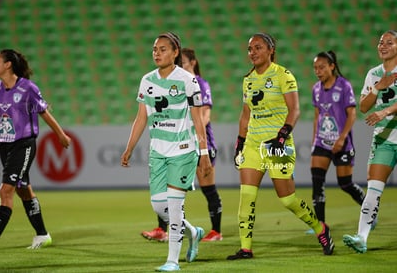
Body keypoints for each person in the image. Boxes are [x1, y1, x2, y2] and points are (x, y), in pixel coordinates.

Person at [227, 32, 335, 260]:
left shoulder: (283, 76)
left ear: (270, 50)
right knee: (247, 195)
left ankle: (319, 228)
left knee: (287, 199)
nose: (252, 53)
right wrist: (240, 142)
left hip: (278, 144)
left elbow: (294, 110)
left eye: (257, 48)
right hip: (254, 144)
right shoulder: (247, 80)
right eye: (250, 49)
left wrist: (282, 135)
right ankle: (246, 248)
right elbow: (245, 115)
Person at [120, 32, 212, 272]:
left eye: (162, 49)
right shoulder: (147, 80)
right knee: (159, 207)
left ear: (175, 53)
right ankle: (193, 231)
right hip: (157, 152)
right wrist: (129, 147)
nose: (157, 53)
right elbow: (141, 118)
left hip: (183, 150)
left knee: (173, 206)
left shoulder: (188, 80)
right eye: (154, 49)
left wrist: (203, 152)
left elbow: (198, 119)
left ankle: (172, 261)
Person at [0, 49, 71, 252]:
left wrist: (60, 134)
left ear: (8, 65)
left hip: (24, 145)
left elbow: (44, 113)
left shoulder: (28, 88)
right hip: (5, 146)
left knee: (6, 190)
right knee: (24, 190)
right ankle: (42, 234)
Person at [141, 48, 223, 243]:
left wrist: (192, 134)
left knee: (208, 187)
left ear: (193, 63)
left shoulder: (200, 84)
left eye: (183, 63)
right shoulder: (174, 83)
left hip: (201, 142)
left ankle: (216, 231)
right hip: (179, 143)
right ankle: (163, 229)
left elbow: (205, 115)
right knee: (167, 190)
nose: (180, 67)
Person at [343, 30, 397, 253]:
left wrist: (385, 113)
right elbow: (364, 107)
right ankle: (362, 239)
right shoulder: (373, 73)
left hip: (388, 126)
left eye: (389, 42)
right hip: (384, 139)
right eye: (380, 42)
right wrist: (378, 86)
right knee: (373, 190)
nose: (383, 45)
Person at [310, 51, 366, 226]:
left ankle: (368, 208)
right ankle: (320, 225)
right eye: (315, 68)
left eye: (322, 67)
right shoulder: (316, 89)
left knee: (345, 184)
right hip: (322, 142)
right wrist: (314, 140)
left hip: (341, 143)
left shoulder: (344, 86)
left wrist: (341, 139)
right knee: (317, 182)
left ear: (332, 66)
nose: (318, 71)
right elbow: (317, 115)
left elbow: (352, 114)